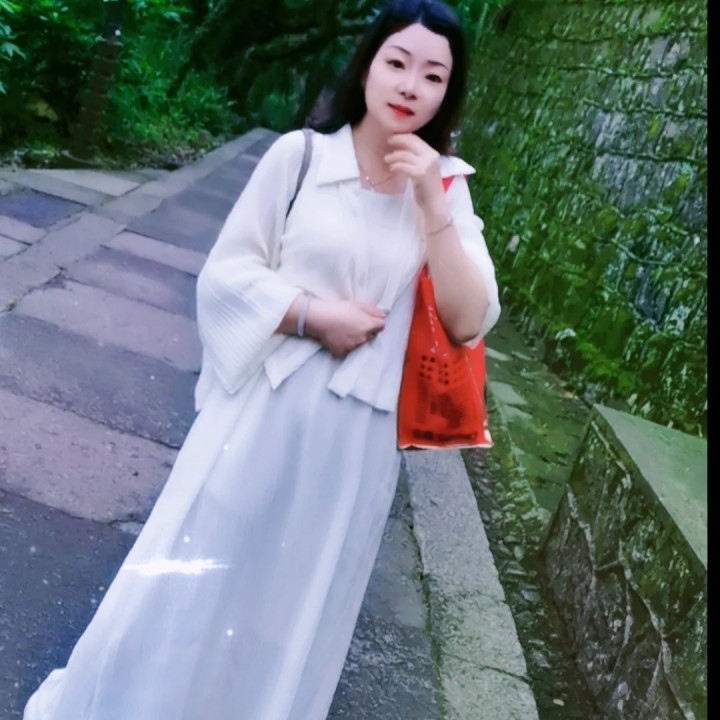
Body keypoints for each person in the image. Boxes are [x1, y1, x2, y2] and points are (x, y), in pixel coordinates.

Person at [23, 1, 500, 718]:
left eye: (433, 75)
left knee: (291, 618)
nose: (410, 86)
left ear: (448, 93)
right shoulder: (301, 157)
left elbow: (468, 318)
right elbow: (225, 276)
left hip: (355, 449)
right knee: (192, 584)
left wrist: (432, 204)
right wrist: (312, 315)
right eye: (397, 62)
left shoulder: (447, 189)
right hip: (262, 417)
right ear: (367, 65)